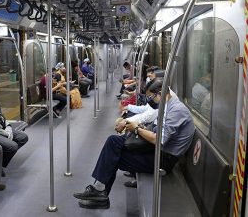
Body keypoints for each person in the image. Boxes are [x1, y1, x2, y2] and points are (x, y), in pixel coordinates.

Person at [73, 78, 195, 209]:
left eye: (150, 97)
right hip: (157, 150)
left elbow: (159, 139)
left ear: (160, 93)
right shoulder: (168, 106)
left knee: (114, 157)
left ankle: (99, 192)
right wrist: (134, 125)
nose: (149, 100)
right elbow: (155, 129)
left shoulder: (176, 110)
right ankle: (99, 191)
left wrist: (136, 129)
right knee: (113, 142)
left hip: (164, 159)